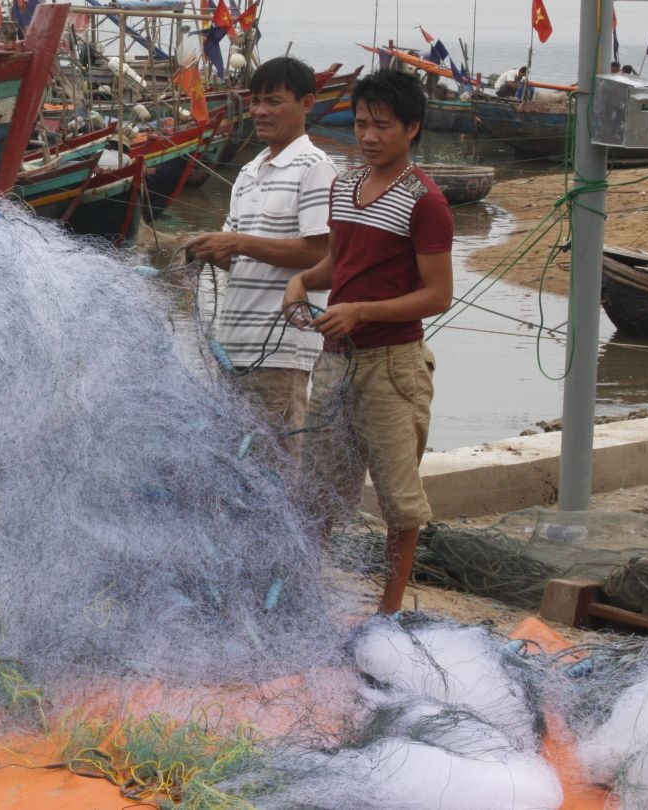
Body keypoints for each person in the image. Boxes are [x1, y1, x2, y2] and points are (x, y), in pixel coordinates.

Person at [283, 69, 453, 615]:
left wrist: (362, 312)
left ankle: (389, 611)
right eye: (360, 124)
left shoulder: (425, 202)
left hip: (392, 365)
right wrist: (303, 281)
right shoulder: (344, 186)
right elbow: (341, 261)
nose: (369, 136)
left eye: (382, 126)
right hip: (336, 362)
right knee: (319, 490)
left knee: (399, 503)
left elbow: (437, 295)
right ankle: (304, 596)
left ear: (412, 129)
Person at [185, 56, 337, 453]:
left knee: (275, 465)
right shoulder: (250, 171)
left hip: (281, 350)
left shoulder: (315, 167)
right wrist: (212, 249)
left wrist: (236, 243)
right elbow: (240, 257)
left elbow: (321, 253)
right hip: (233, 345)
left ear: (307, 104)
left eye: (273, 101)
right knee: (237, 465)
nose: (259, 112)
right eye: (255, 102)